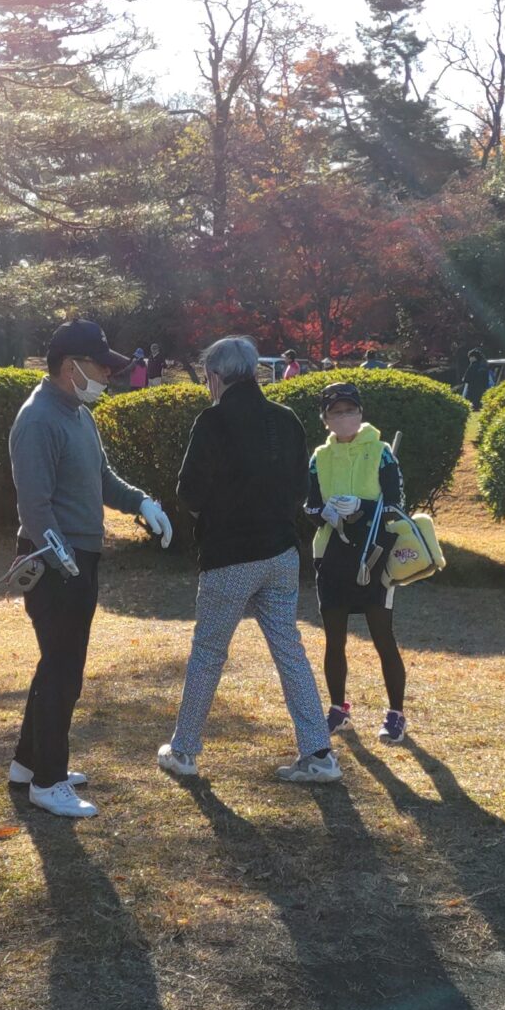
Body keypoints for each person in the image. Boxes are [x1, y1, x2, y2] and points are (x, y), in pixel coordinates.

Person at [7, 320, 173, 819]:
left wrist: (141, 502)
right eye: (99, 366)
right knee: (63, 671)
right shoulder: (38, 419)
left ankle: (27, 764)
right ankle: (48, 781)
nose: (107, 374)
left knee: (57, 665)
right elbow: (35, 506)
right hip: (53, 559)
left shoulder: (78, 414)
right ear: (70, 367)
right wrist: (61, 560)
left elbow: (102, 477)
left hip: (77, 557)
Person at [158, 336, 339, 785]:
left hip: (230, 557)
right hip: (280, 552)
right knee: (290, 652)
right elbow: (301, 489)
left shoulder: (213, 421)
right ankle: (319, 753)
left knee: (208, 654)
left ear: (215, 376)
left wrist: (213, 516)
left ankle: (183, 750)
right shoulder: (286, 418)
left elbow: (188, 492)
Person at [304, 380, 410, 744]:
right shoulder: (319, 458)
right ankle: (338, 710)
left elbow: (396, 504)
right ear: (325, 419)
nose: (344, 417)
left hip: (374, 553)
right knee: (334, 639)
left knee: (383, 636)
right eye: (336, 412)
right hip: (332, 555)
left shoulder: (381, 452)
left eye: (350, 410)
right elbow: (310, 506)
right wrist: (326, 513)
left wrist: (362, 507)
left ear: (361, 413)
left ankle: (396, 714)